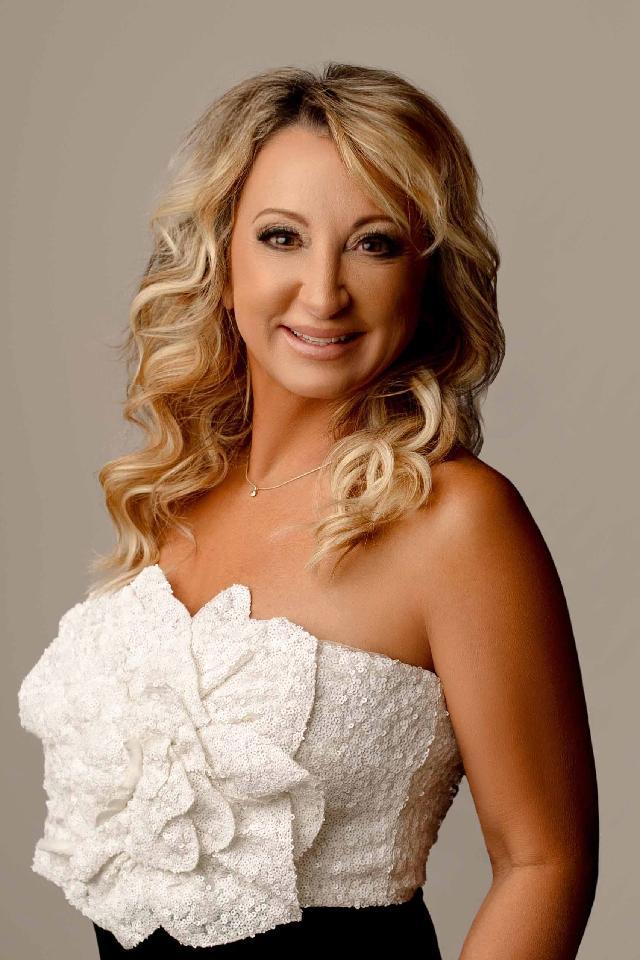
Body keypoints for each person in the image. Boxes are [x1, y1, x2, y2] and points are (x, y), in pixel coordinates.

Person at [17, 62, 598, 958]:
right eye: (282, 237)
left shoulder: (455, 519)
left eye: (375, 244)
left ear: (425, 277)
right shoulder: (176, 495)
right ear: (223, 263)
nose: (324, 292)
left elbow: (544, 862)